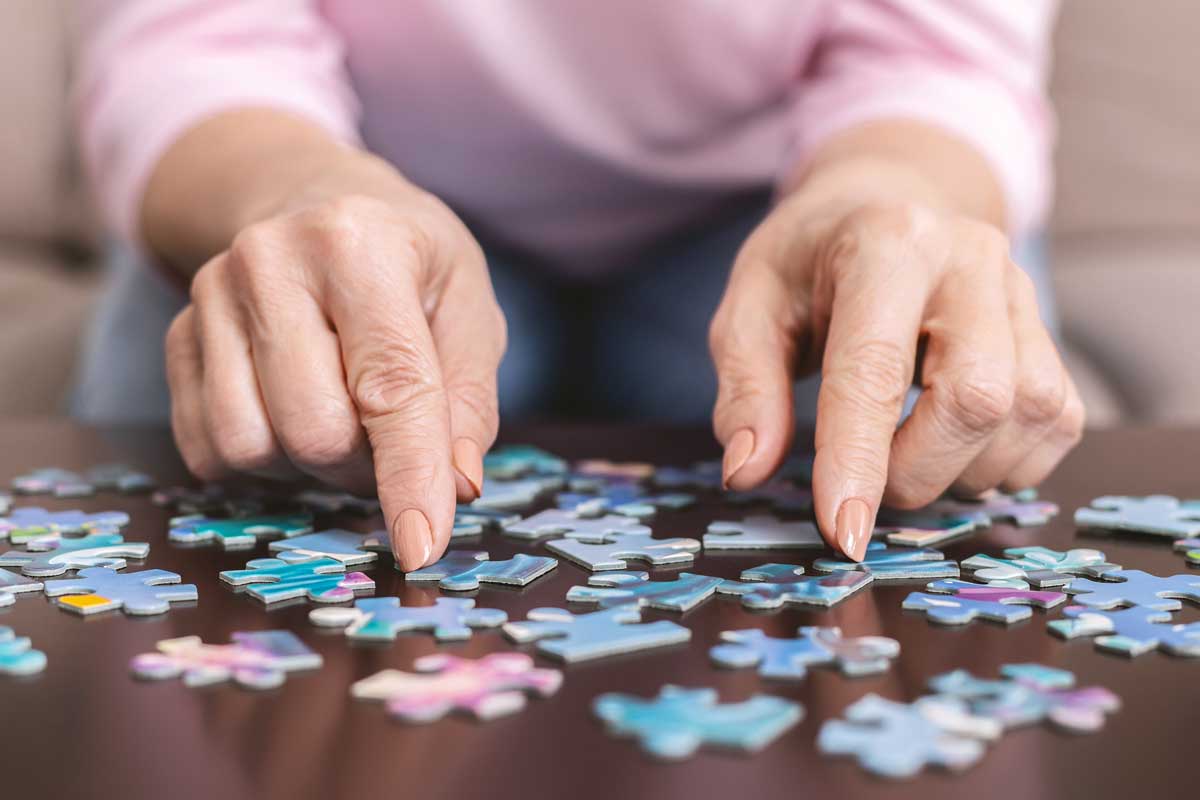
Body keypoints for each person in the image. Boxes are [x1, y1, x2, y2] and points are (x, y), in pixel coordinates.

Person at [72, 1, 1082, 572]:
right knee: (215, 469)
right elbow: (191, 37)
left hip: (785, 207)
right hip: (333, 178)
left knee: (927, 442)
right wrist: (294, 189)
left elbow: (935, 55)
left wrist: (891, 190)